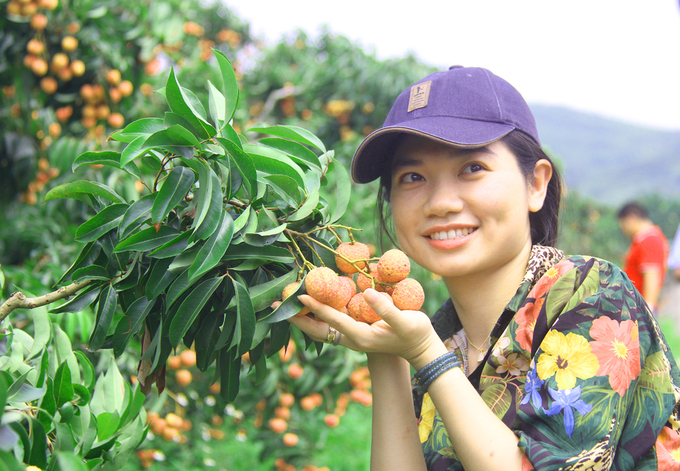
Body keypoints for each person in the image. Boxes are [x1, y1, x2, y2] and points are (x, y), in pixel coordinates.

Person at [288, 66, 680, 470]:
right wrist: (387, 354)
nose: (440, 202)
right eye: (412, 176)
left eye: (472, 168)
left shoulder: (592, 293)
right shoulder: (442, 334)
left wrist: (426, 355)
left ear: (536, 185)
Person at [617, 202, 670, 312]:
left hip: (638, 308)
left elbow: (652, 275)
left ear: (631, 218)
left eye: (623, 224)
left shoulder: (650, 240)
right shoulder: (643, 239)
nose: (623, 229)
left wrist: (647, 310)